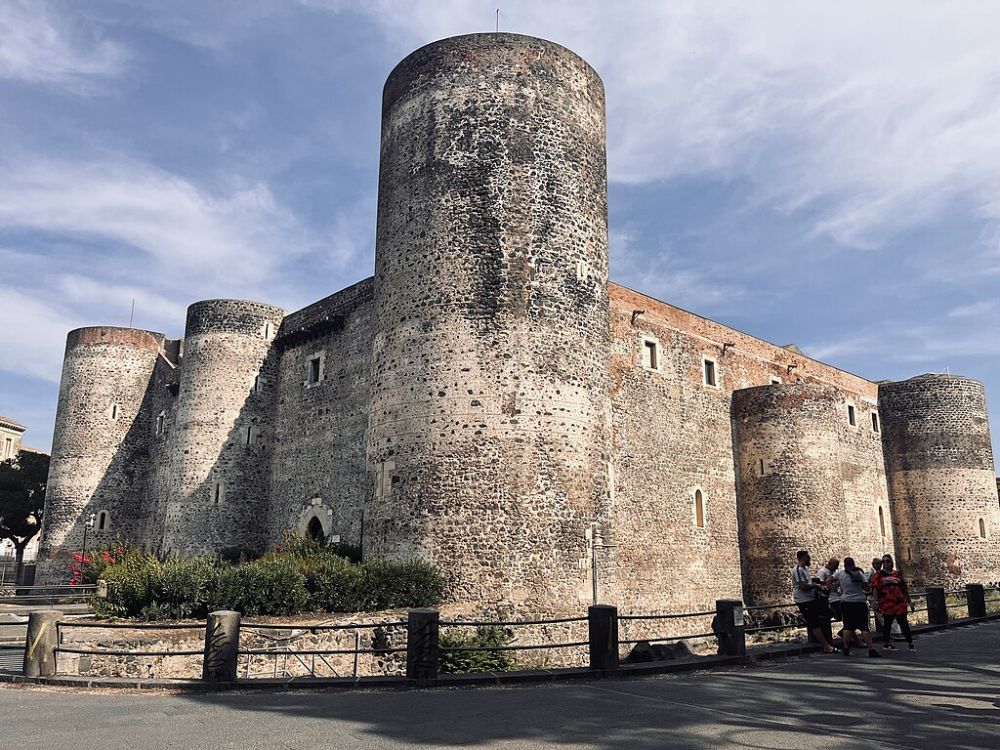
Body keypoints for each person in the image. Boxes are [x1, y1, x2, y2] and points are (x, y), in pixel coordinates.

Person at [833, 557, 882, 657]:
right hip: (859, 601)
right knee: (864, 627)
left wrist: (837, 586)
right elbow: (866, 587)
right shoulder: (859, 573)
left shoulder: (840, 574)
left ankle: (846, 649)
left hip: (845, 601)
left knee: (847, 626)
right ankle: (871, 649)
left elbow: (828, 580)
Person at [792, 549, 836, 653]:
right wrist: (817, 586)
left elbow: (809, 581)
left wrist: (821, 585)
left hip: (810, 599)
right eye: (808, 557)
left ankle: (826, 644)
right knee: (814, 622)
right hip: (803, 600)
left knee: (825, 614)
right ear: (803, 557)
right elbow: (802, 586)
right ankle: (826, 646)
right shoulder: (797, 569)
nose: (810, 558)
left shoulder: (804, 569)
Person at [871, 554, 915, 651]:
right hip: (887, 603)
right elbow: (875, 588)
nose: (885, 563)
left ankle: (910, 642)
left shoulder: (897, 574)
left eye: (887, 561)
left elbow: (904, 589)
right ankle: (887, 643)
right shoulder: (879, 575)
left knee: (903, 623)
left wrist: (909, 602)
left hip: (899, 603)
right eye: (883, 562)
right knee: (887, 624)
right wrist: (875, 602)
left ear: (891, 562)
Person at [866, 557, 885, 634]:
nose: (879, 565)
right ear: (873, 564)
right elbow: (866, 583)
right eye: (877, 564)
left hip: (879, 596)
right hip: (872, 596)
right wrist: (869, 590)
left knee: (882, 614)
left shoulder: (879, 572)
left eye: (880, 564)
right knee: (880, 615)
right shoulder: (871, 572)